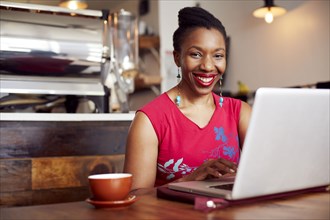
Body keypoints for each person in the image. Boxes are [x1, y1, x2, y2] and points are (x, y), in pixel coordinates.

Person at [124, 6, 251, 190]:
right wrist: (190, 180)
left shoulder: (240, 113)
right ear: (177, 58)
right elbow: (135, 200)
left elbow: (266, 173)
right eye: (196, 54)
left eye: (218, 56)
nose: (208, 66)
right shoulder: (149, 120)